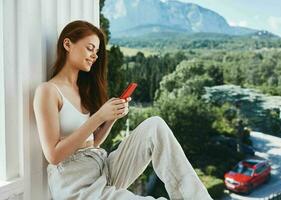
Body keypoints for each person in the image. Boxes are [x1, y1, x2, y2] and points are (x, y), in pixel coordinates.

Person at [33, 20, 213, 200]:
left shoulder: (82, 90)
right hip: (76, 183)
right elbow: (54, 155)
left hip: (101, 167)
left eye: (96, 52)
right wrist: (99, 116)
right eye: (90, 48)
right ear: (67, 44)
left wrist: (111, 118)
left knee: (155, 126)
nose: (94, 56)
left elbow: (92, 142)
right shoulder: (48, 91)